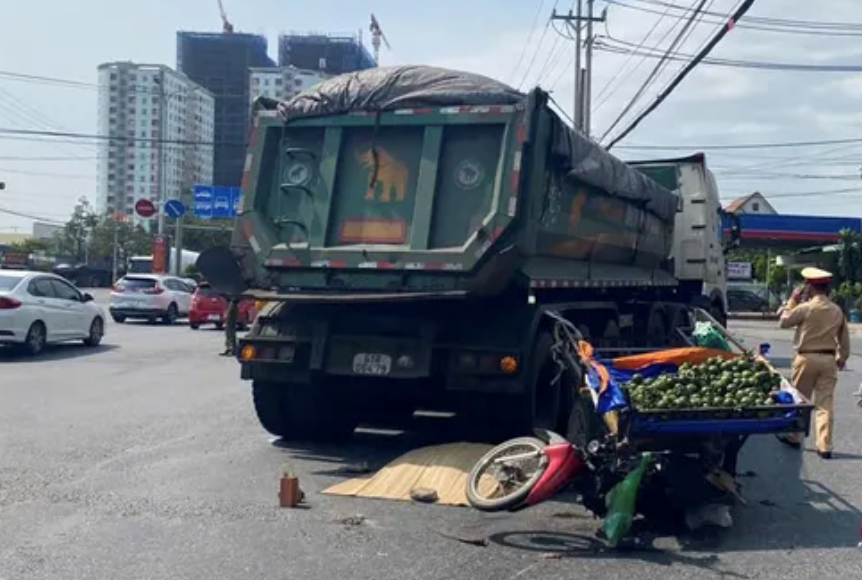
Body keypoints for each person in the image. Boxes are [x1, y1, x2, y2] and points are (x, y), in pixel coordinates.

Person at [776, 267, 850, 459]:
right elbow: (844, 339)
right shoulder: (837, 310)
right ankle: (824, 446)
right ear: (828, 288)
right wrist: (842, 359)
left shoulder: (806, 307)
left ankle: (795, 436)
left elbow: (784, 322)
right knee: (825, 404)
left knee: (800, 400)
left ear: (810, 287)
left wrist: (792, 300)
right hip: (828, 360)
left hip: (806, 359)